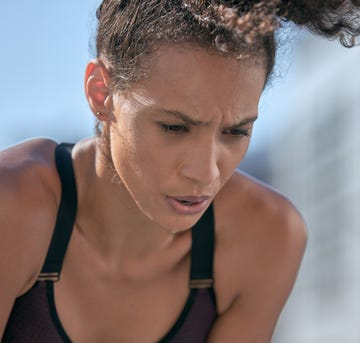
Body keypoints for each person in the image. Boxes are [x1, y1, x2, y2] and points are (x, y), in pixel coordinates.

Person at [1, 1, 359, 342]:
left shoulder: (265, 237)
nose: (205, 174)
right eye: (174, 128)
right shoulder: (13, 207)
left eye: (235, 132)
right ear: (101, 94)